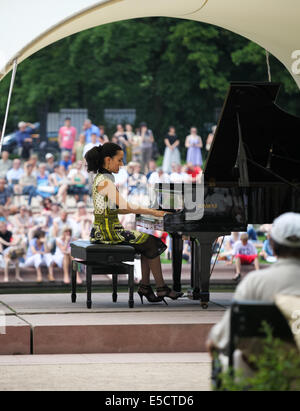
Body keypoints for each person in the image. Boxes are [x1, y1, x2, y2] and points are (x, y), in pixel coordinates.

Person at [85, 143, 183, 303]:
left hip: (105, 230)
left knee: (147, 243)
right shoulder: (105, 180)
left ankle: (146, 287)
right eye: (119, 160)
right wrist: (152, 211)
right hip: (109, 233)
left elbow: (118, 209)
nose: (122, 164)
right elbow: (124, 206)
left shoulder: (103, 178)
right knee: (152, 243)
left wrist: (148, 211)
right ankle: (160, 288)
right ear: (108, 160)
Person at [206, 212, 300, 371]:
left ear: (271, 244)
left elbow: (217, 340)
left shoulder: (254, 282)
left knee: (237, 359)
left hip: (263, 375)